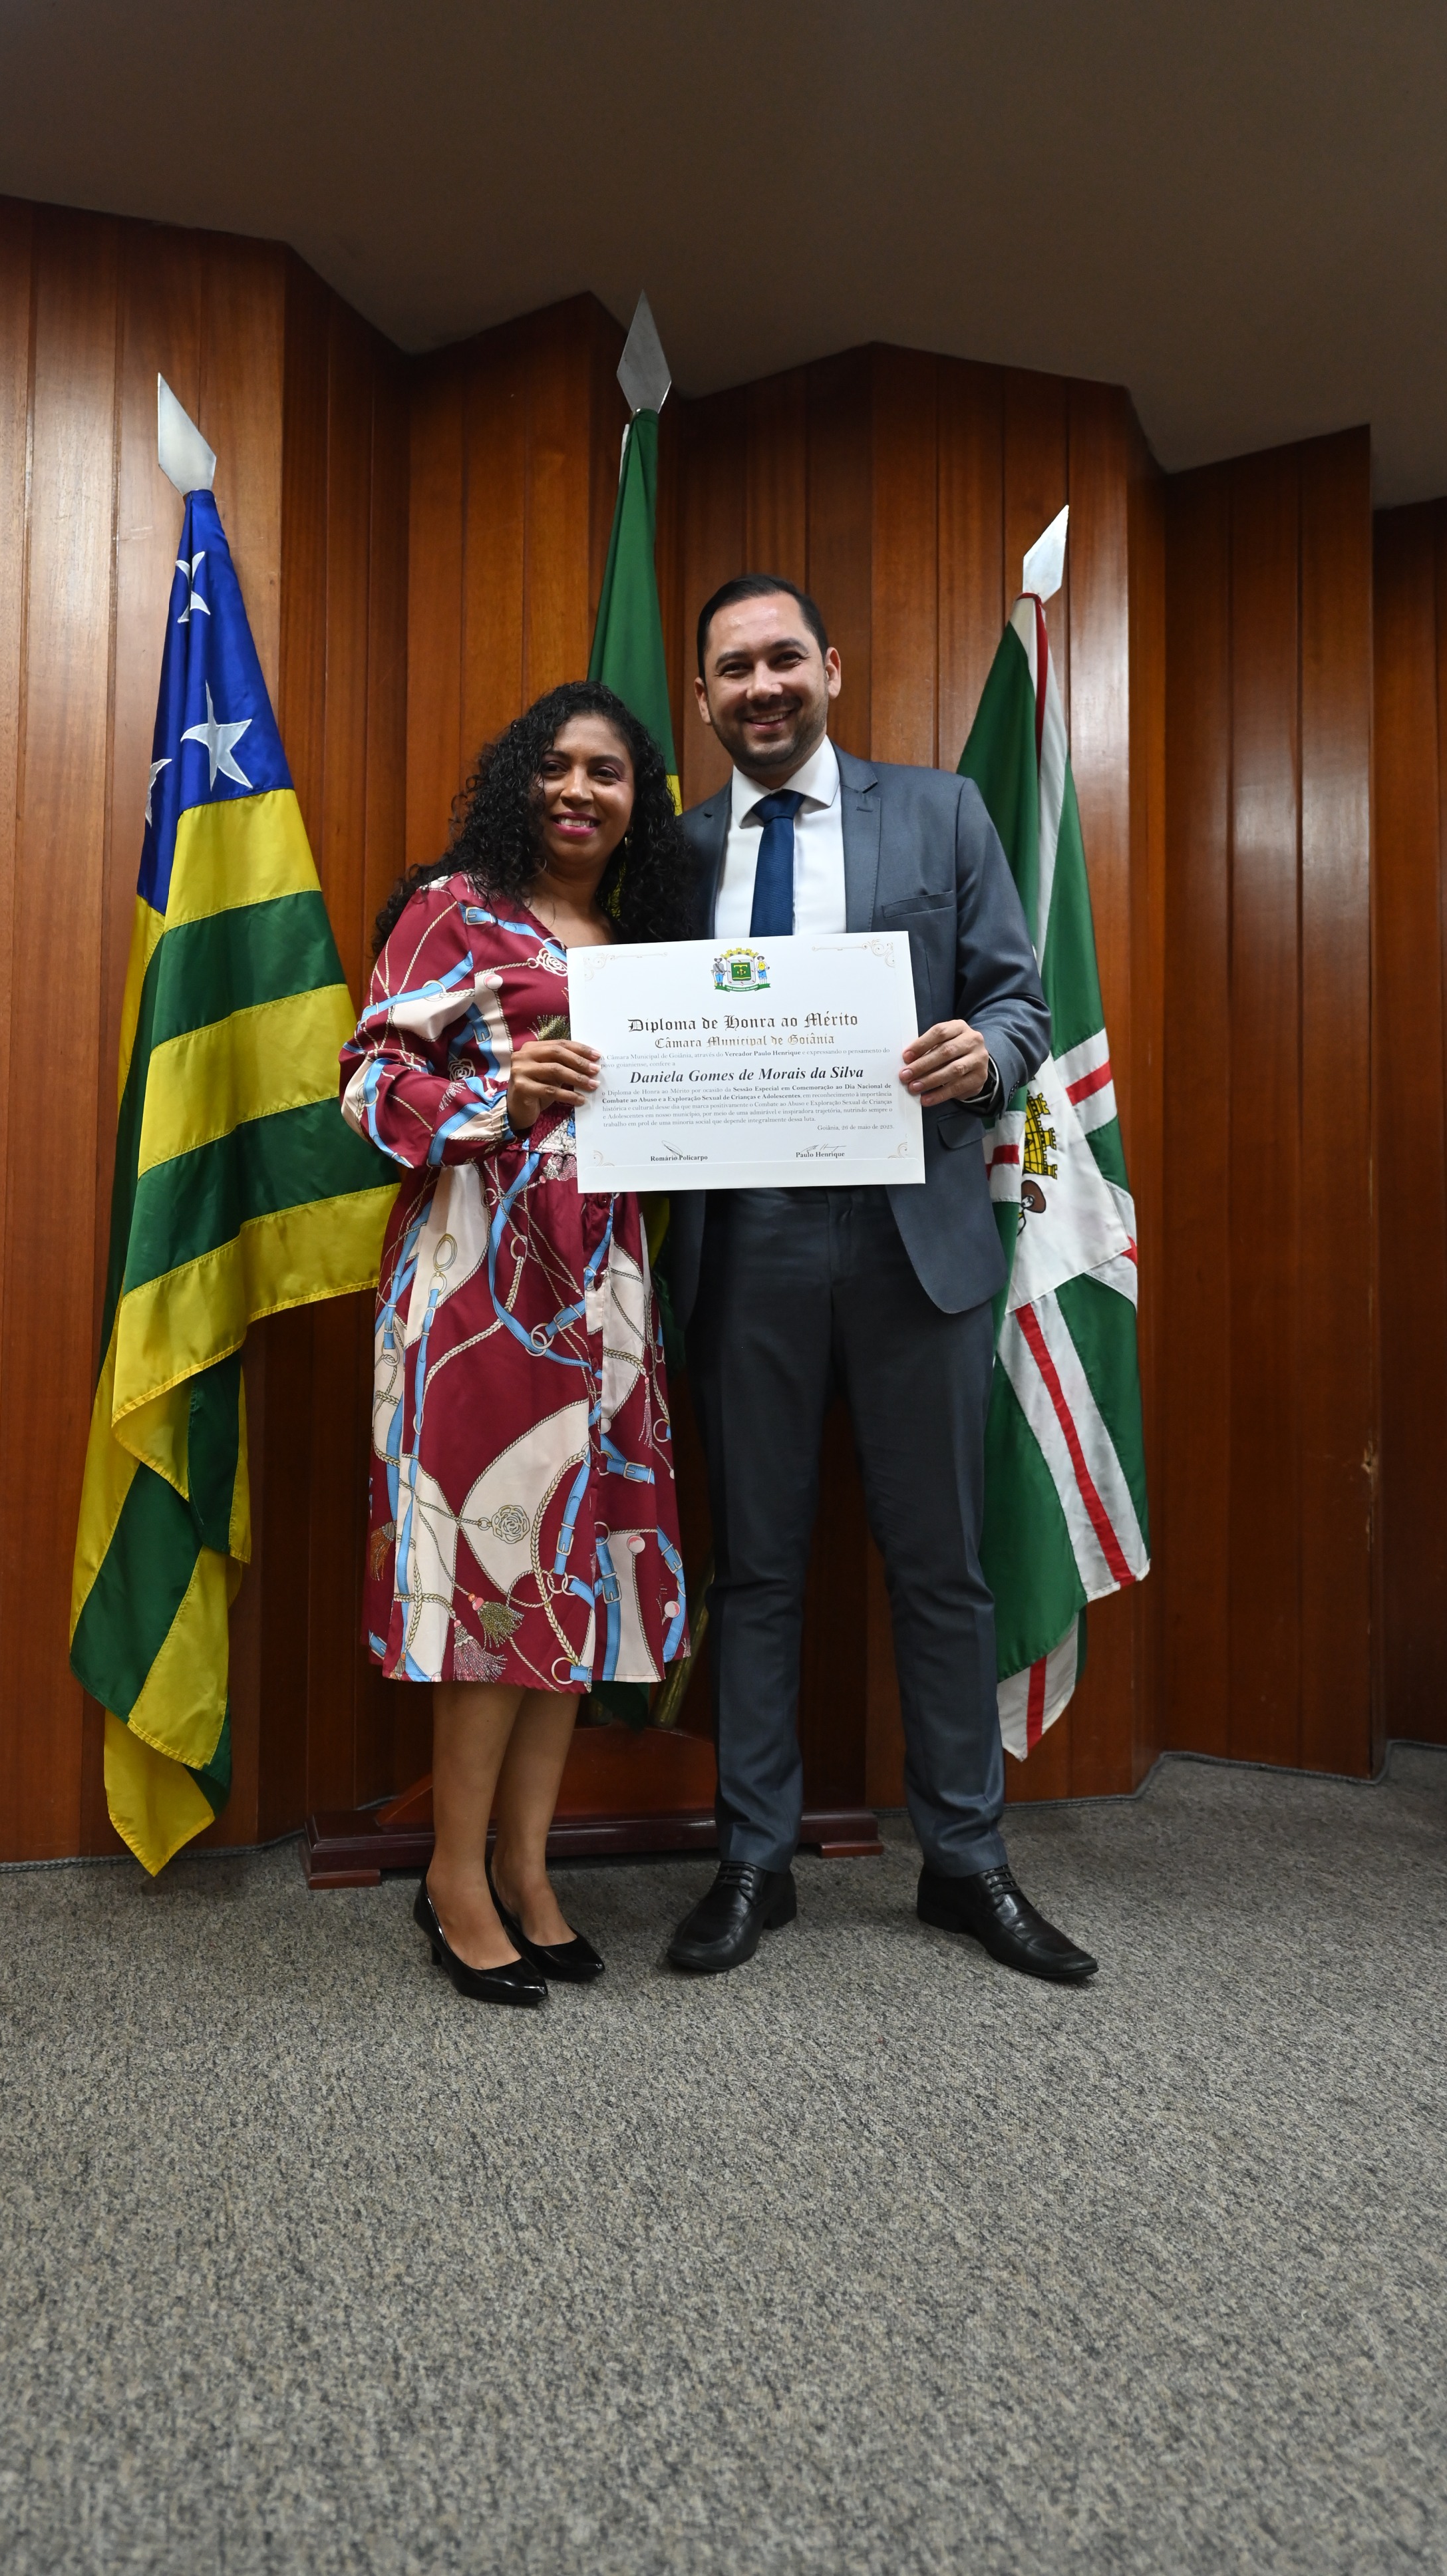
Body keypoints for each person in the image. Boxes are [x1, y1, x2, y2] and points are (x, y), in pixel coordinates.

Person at [663, 575, 1098, 1985]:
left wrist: (986, 1055)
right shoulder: (675, 851)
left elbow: (1020, 1001)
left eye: (783, 658)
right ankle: (753, 1856)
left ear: (831, 669)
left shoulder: (941, 813)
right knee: (758, 1567)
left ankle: (966, 1862)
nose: (762, 686)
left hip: (919, 1241)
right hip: (747, 1249)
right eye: (734, 668)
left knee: (941, 1566)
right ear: (705, 695)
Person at [342, 681, 693, 2008]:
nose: (577, 790)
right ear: (517, 782)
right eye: (553, 766)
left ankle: (528, 1871)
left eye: (606, 770)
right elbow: (367, 1084)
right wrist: (501, 1094)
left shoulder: (644, 942)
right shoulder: (455, 909)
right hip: (479, 1279)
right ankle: (453, 1877)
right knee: (495, 1565)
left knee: (574, 1572)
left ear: (636, 801)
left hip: (607, 1288)